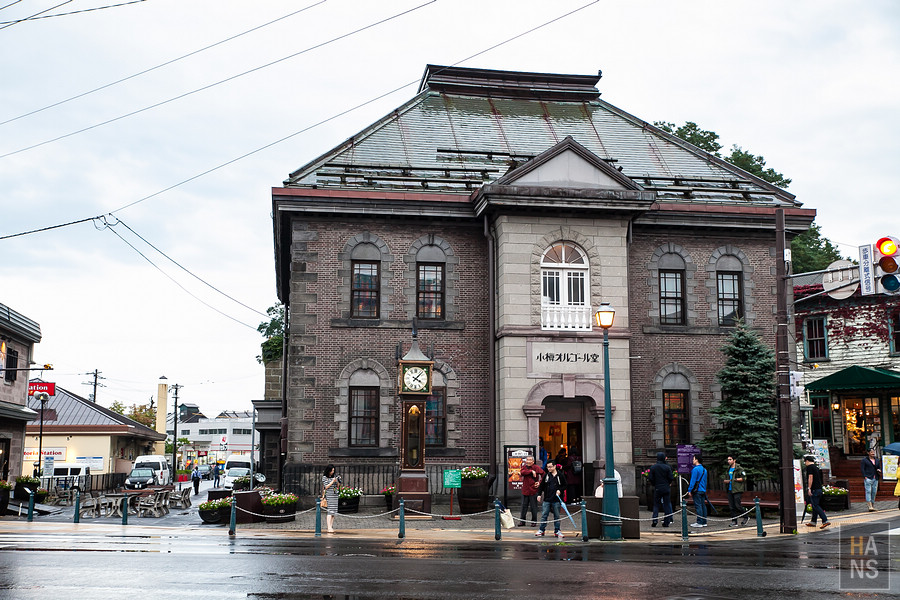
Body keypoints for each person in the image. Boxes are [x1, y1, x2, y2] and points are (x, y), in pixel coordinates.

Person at [535, 461, 567, 539]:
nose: (549, 468)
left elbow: (565, 485)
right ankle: (541, 530)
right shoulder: (546, 475)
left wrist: (560, 490)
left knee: (557, 516)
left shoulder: (560, 475)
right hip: (547, 499)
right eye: (548, 467)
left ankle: (557, 530)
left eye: (550, 467)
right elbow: (541, 486)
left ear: (554, 466)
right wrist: (539, 495)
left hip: (556, 499)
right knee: (544, 515)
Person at [804, 455, 830, 529]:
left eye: (805, 462)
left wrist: (809, 488)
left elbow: (810, 477)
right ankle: (813, 521)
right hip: (819, 488)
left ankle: (825, 520)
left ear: (807, 461)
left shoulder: (810, 467)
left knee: (815, 505)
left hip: (814, 489)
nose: (805, 463)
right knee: (814, 505)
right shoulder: (816, 467)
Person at [648, 452, 674, 527]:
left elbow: (650, 478)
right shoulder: (667, 467)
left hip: (658, 487)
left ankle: (655, 519)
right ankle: (667, 521)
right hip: (666, 487)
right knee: (667, 504)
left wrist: (654, 484)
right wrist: (668, 483)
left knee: (656, 504)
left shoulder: (653, 467)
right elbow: (671, 477)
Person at [519, 455, 543, 527]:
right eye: (527, 460)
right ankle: (522, 521)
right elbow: (522, 472)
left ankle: (534, 521)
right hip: (525, 490)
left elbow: (543, 474)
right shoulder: (524, 467)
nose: (528, 461)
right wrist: (531, 471)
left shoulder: (536, 467)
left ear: (533, 461)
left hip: (533, 490)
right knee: (524, 506)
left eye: (530, 460)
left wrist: (539, 482)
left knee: (533, 507)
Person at [724, 455, 748, 526]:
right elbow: (726, 477)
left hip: (737, 489)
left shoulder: (739, 469)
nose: (728, 461)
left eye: (730, 459)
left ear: (734, 460)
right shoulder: (728, 469)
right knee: (731, 506)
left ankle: (746, 516)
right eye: (728, 460)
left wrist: (735, 480)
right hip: (730, 489)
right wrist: (726, 481)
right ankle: (734, 521)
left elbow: (744, 478)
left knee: (738, 505)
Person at [688, 454, 708, 528]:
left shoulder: (695, 469)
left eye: (693, 459)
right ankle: (704, 521)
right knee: (703, 506)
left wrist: (690, 490)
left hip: (697, 490)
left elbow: (693, 481)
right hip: (702, 489)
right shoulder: (704, 469)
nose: (692, 460)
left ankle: (699, 522)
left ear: (696, 460)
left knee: (698, 506)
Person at [322, 464, 341, 533]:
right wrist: (332, 481)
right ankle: (328, 527)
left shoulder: (334, 477)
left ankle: (331, 526)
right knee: (330, 511)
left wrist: (338, 481)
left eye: (333, 470)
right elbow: (326, 487)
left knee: (333, 512)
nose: (333, 472)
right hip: (329, 495)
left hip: (335, 495)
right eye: (331, 470)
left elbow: (338, 486)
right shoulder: (325, 478)